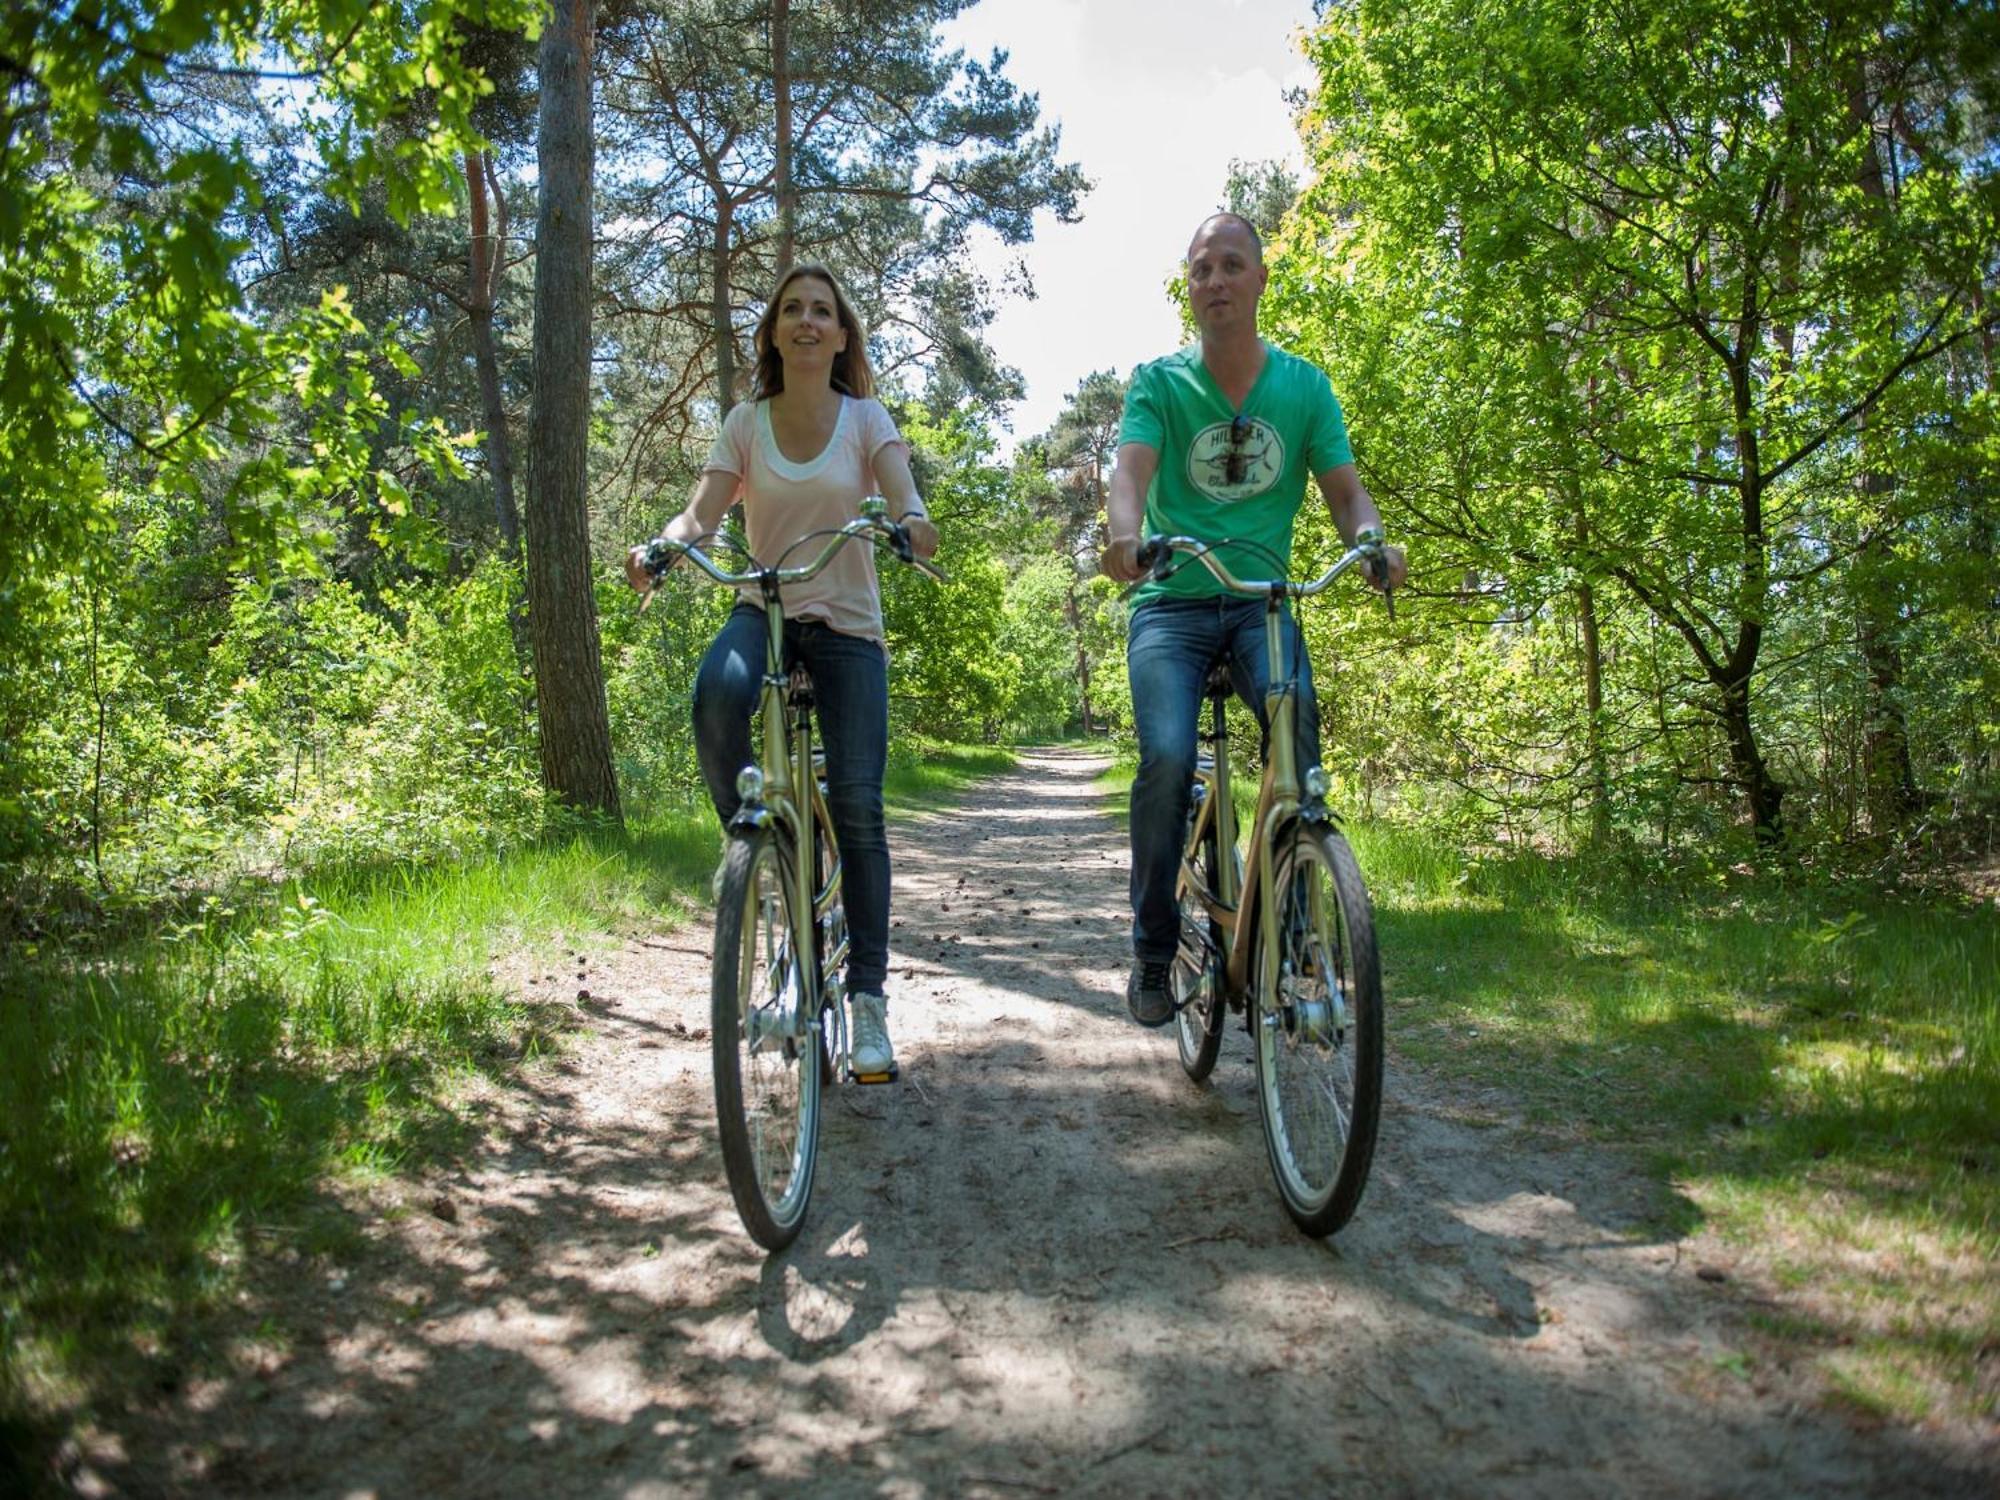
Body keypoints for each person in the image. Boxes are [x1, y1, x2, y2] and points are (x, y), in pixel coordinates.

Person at [626, 263, 938, 1076]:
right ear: (772, 332)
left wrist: (911, 525)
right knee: (715, 698)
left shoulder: (867, 419)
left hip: (847, 629)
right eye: (791, 310)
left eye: (822, 312)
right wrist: (664, 546)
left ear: (841, 336)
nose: (805, 321)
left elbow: (907, 501)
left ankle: (867, 1001)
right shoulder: (745, 423)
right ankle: (758, 851)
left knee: (860, 805)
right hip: (764, 612)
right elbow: (702, 512)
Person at [1101, 213, 1407, 1028]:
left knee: (1295, 737)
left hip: (1261, 603)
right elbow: (1130, 474)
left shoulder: (1304, 387)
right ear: (1189, 288)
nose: (1217, 281)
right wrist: (1123, 538)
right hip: (1171, 601)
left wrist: (1371, 542)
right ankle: (1154, 950)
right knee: (1167, 759)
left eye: (1232, 265)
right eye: (1202, 270)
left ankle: (1303, 931)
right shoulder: (1160, 384)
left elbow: (1346, 493)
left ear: (1261, 280)